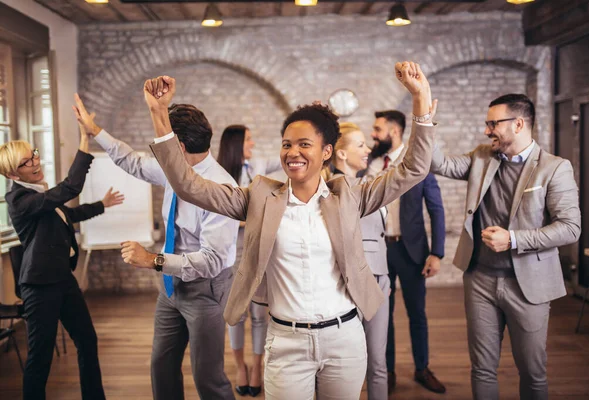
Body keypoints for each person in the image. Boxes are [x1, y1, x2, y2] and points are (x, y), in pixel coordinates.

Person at [144, 61, 434, 400]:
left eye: (304, 145)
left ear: (327, 152)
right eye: (286, 144)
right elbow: (189, 185)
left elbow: (413, 169)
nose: (292, 152)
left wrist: (420, 100)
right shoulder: (259, 197)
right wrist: (159, 114)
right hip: (286, 342)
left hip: (343, 339)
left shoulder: (350, 195)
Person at [73, 96, 239, 400]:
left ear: (179, 148)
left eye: (162, 145)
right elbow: (132, 161)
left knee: (208, 379)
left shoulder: (221, 189)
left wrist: (152, 260)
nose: (156, 153)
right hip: (170, 288)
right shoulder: (172, 169)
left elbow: (212, 261)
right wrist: (94, 129)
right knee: (161, 367)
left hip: (205, 290)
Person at [430, 93, 581, 400]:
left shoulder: (554, 168)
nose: (487, 131)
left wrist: (513, 240)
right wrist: (425, 121)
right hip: (480, 279)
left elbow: (570, 228)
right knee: (482, 369)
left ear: (519, 124)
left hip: (529, 285)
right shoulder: (482, 157)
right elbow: (436, 163)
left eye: (493, 124)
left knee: (532, 372)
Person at [0, 126, 124, 400]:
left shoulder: (39, 193)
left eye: (34, 155)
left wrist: (102, 205)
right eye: (26, 162)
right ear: (12, 174)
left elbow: (68, 214)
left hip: (62, 280)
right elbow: (70, 187)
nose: (35, 162)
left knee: (87, 340)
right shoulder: (20, 200)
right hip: (39, 287)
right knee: (40, 357)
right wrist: (83, 141)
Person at [368, 110, 446, 394]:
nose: (373, 135)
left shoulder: (418, 162)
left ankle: (422, 368)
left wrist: (437, 253)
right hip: (377, 250)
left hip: (412, 251)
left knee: (417, 313)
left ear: (395, 131)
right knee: (381, 317)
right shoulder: (371, 163)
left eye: (378, 129)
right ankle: (385, 372)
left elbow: (436, 209)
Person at [217, 125, 282, 397]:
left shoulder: (256, 165)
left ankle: (256, 366)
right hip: (229, 253)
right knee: (236, 314)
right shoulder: (217, 173)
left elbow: (284, 157)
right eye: (248, 139)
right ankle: (239, 366)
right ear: (235, 143)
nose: (253, 143)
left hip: (254, 249)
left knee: (258, 313)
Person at [329, 122, 389, 399]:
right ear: (341, 154)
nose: (367, 150)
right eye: (360, 145)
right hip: (342, 284)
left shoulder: (370, 185)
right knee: (341, 364)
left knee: (378, 362)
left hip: (379, 279)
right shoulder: (327, 188)